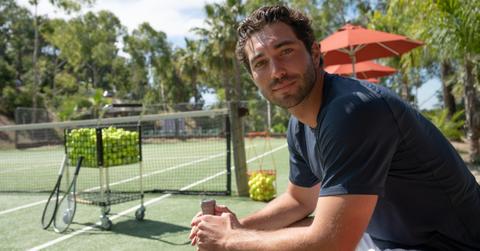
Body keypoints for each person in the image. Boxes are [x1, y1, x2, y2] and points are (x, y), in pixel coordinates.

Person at [189, 5, 480, 251]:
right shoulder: (299, 124)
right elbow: (299, 200)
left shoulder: (353, 110)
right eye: (261, 63)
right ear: (254, 76)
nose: (276, 71)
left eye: (286, 51)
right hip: (384, 239)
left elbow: (332, 241)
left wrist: (230, 239)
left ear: (315, 53)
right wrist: (238, 225)